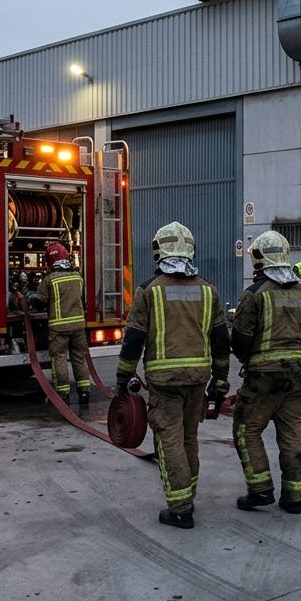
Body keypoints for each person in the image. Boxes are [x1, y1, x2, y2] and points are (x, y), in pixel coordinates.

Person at [116, 221, 231, 529]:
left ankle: (180, 508)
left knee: (170, 442)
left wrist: (121, 379)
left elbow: (133, 342)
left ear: (158, 250)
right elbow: (222, 341)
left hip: (164, 384)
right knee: (189, 438)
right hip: (198, 380)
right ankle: (188, 494)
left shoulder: (149, 291)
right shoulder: (209, 291)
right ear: (190, 249)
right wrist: (220, 380)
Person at [231, 231, 301, 515]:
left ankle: (260, 489)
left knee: (246, 430)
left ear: (259, 260)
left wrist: (251, 358)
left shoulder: (255, 294)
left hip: (263, 376)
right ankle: (294, 496)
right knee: (291, 432)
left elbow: (240, 340)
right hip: (297, 373)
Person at [34, 242, 91, 407]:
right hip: (79, 327)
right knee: (79, 358)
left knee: (59, 359)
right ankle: (84, 393)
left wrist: (26, 299)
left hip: (59, 329)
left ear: (49, 262)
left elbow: (39, 302)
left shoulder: (49, 280)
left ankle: (63, 396)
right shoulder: (77, 278)